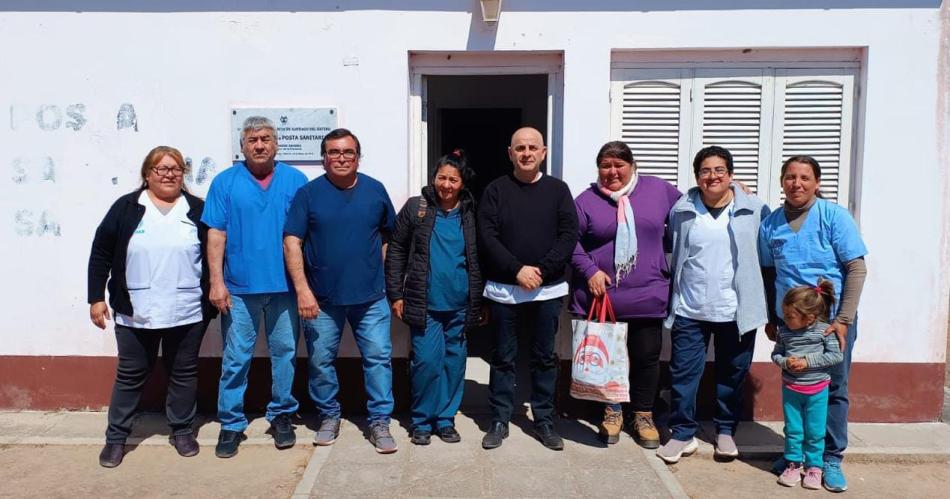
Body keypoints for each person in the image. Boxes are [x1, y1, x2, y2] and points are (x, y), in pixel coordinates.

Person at [88, 146, 216, 467]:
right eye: (161, 169)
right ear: (148, 174)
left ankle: (182, 430)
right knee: (131, 375)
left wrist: (215, 294)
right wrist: (95, 298)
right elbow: (101, 252)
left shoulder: (198, 209)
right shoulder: (127, 208)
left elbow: (216, 256)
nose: (169, 174)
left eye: (175, 169)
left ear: (183, 175)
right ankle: (116, 438)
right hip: (135, 310)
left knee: (183, 374)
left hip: (186, 310)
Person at [283, 128, 399, 454]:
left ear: (358, 157)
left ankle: (379, 421)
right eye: (334, 152)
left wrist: (385, 279)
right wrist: (302, 290)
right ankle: (329, 416)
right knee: (321, 361)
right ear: (323, 159)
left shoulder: (375, 191)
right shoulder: (308, 194)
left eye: (348, 152)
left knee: (378, 359)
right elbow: (292, 242)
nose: (341, 157)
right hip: (321, 298)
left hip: (371, 297)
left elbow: (389, 238)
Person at [759, 155, 867, 492]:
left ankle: (830, 458)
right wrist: (773, 317)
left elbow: (856, 269)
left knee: (832, 389)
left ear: (817, 182)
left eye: (805, 177)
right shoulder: (771, 224)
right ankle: (797, 456)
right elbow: (768, 273)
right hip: (791, 325)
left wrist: (843, 320)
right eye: (790, 177)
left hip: (831, 324)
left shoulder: (834, 217)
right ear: (781, 182)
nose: (797, 184)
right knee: (795, 390)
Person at [655, 146, 770, 463]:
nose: (713, 176)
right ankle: (681, 433)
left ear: (731, 175)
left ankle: (725, 431)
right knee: (683, 374)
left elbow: (768, 259)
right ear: (696, 177)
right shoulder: (681, 210)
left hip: (736, 310)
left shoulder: (755, 210)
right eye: (705, 170)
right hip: (690, 308)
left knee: (732, 373)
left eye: (720, 170)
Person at [202, 117, 308, 458]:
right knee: (236, 358)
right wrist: (216, 282)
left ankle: (281, 415)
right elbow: (216, 233)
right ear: (242, 146)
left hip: (285, 287)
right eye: (252, 139)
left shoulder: (296, 180)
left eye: (265, 138)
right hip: (239, 288)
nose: (259, 144)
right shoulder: (225, 182)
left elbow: (306, 233)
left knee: (286, 354)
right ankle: (231, 423)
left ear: (276, 144)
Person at [570, 141, 681, 448]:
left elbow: (694, 210)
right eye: (606, 166)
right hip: (603, 300)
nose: (612, 172)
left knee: (646, 357)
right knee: (609, 358)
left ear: (632, 165)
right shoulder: (586, 200)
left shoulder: (659, 191)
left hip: (647, 295)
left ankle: (643, 415)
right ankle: (612, 411)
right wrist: (590, 270)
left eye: (619, 165)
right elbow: (569, 241)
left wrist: (736, 192)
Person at [478, 127, 578, 451]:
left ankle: (545, 420)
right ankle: (499, 419)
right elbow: (487, 237)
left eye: (532, 147)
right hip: (505, 289)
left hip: (546, 291)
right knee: (503, 357)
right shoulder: (495, 191)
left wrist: (542, 271)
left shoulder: (558, 190)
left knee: (544, 358)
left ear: (543, 152)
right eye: (519, 147)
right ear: (510, 153)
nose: (526, 153)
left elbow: (568, 235)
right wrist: (517, 269)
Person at [384, 150, 485, 446]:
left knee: (454, 363)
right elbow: (397, 250)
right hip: (424, 303)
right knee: (427, 362)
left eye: (453, 179)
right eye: (442, 177)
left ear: (462, 183)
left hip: (460, 304)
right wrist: (395, 294)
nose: (447, 184)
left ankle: (445, 419)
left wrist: (481, 300)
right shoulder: (418, 208)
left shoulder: (469, 213)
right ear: (433, 178)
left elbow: (480, 257)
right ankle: (421, 421)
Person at [772, 280, 843, 489]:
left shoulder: (824, 332)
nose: (786, 319)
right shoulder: (784, 332)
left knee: (815, 430)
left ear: (810, 317)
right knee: (793, 429)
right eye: (785, 315)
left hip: (817, 390)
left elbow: (835, 356)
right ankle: (793, 464)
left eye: (790, 316)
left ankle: (814, 467)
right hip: (791, 390)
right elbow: (776, 354)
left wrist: (807, 362)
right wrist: (785, 362)